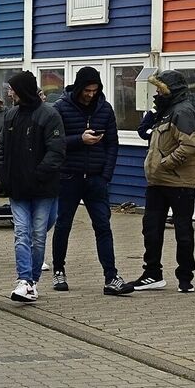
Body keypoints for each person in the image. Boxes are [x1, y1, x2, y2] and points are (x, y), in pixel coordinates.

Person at [51, 67, 132, 296]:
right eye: (87, 90)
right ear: (78, 88)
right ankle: (59, 270)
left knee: (103, 227)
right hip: (69, 176)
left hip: (96, 178)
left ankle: (111, 277)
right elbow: (55, 142)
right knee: (64, 224)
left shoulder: (105, 109)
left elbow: (113, 144)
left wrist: (105, 175)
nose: (90, 94)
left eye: (95, 90)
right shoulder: (61, 108)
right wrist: (80, 139)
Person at [0, 72, 65, 304]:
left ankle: (32, 280)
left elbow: (56, 151)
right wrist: (2, 175)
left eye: (12, 90)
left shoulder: (49, 115)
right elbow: (2, 150)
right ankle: (25, 280)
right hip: (18, 188)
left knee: (38, 234)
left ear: (22, 91)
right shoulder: (11, 116)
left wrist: (38, 174)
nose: (9, 93)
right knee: (21, 233)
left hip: (43, 187)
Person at [132, 71, 195, 293]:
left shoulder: (183, 111)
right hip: (157, 182)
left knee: (182, 230)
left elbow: (190, 146)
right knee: (150, 229)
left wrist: (166, 164)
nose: (157, 93)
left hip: (179, 183)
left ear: (172, 89)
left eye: (161, 88)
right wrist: (153, 111)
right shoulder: (164, 111)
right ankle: (152, 274)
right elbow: (144, 133)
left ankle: (185, 277)